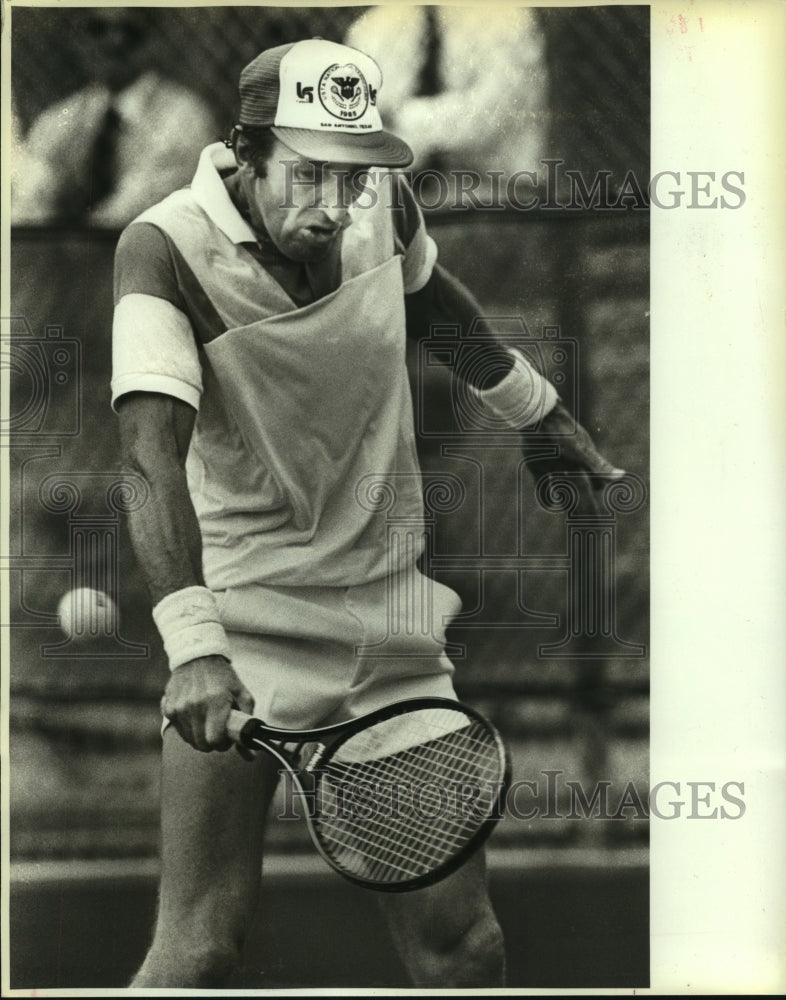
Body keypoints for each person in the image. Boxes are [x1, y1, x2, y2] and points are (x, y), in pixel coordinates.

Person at [112, 38, 623, 988]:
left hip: (392, 625)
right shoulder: (162, 249)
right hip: (243, 623)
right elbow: (149, 461)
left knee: (463, 950)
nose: (330, 206)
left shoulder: (377, 201)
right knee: (199, 951)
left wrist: (536, 411)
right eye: (306, 174)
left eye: (349, 177)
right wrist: (194, 646)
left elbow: (435, 303)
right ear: (245, 149)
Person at [13, 8, 217, 227]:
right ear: (78, 39)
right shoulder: (58, 121)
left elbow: (134, 212)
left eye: (130, 31)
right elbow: (26, 209)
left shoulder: (184, 118)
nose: (115, 42)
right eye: (98, 29)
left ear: (156, 41)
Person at [345, 5, 549, 199]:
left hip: (495, 189)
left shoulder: (507, 19)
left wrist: (401, 119)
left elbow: (489, 117)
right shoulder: (373, 28)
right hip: (399, 193)